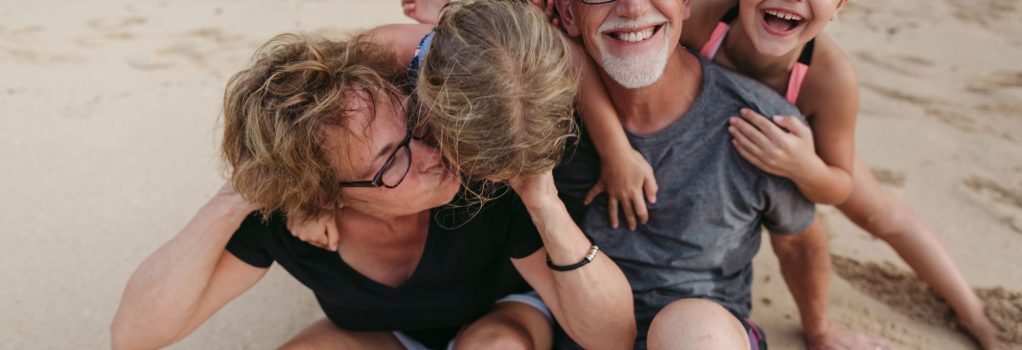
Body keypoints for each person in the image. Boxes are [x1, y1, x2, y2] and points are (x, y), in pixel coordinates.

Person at [109, 2, 635, 349]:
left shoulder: (472, 175)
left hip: (504, 318)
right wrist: (237, 194)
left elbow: (612, 338)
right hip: (385, 335)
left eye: (419, 125)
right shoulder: (292, 212)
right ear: (328, 193)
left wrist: (540, 197)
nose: (432, 153)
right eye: (392, 161)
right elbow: (135, 336)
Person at [564, 0, 1002, 348]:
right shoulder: (704, 19)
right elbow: (616, 45)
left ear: (840, 6)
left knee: (881, 215)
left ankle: (975, 315)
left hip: (794, 146)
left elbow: (839, 185)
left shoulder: (830, 75)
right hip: (713, 119)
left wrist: (803, 167)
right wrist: (615, 148)